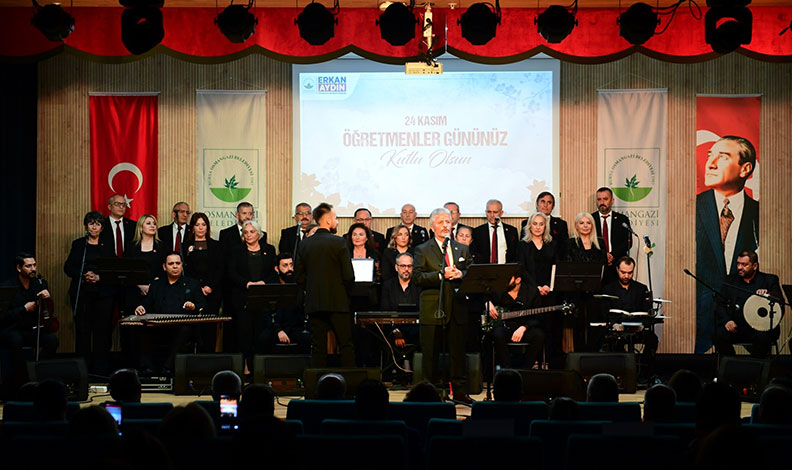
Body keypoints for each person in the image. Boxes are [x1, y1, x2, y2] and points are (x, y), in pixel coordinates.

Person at [696, 136, 759, 353]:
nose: (710, 164)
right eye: (710, 156)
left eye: (722, 157)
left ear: (745, 169)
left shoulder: (759, 213)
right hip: (701, 312)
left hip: (740, 312)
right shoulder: (692, 207)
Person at [413, 207, 472, 403]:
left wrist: (461, 274)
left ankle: (460, 393)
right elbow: (417, 277)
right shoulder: (422, 249)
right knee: (430, 354)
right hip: (433, 309)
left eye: (448, 221)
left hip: (457, 308)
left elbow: (471, 272)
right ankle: (429, 394)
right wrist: (441, 275)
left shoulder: (461, 248)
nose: (445, 225)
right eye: (441, 222)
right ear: (432, 227)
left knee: (458, 353)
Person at [295, 202, 355, 367]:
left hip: (314, 302)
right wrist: (344, 293)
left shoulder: (305, 244)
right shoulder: (339, 242)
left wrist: (312, 289)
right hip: (338, 303)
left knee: (318, 347)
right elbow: (349, 275)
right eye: (335, 218)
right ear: (328, 220)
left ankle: (317, 381)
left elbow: (299, 276)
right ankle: (349, 381)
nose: (337, 221)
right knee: (345, 344)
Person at [134, 252, 207, 373]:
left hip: (181, 326)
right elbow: (147, 302)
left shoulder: (192, 284)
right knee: (142, 329)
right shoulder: (156, 285)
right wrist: (141, 307)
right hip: (159, 326)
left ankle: (168, 368)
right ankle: (148, 369)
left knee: (185, 330)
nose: (175, 266)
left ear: (182, 265)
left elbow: (203, 305)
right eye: (171, 263)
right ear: (164, 267)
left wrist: (193, 306)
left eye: (178, 263)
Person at [64, 211, 115, 375]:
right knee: (83, 331)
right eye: (91, 223)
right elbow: (68, 268)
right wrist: (83, 275)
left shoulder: (107, 245)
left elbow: (113, 269)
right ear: (86, 226)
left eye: (98, 224)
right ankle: (83, 370)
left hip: (103, 293)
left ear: (102, 228)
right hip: (83, 293)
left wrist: (99, 277)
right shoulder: (79, 244)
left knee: (102, 332)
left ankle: (101, 370)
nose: (94, 227)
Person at [1, 253, 59, 397]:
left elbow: (47, 311)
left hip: (33, 328)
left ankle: (35, 371)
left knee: (52, 340)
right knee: (16, 340)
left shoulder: (39, 283)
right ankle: (19, 381)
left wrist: (48, 299)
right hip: (14, 328)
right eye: (28, 266)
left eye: (34, 265)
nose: (33, 269)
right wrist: (24, 309)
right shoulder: (8, 286)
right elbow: (4, 316)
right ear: (19, 268)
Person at [227, 220, 278, 373]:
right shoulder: (236, 250)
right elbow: (231, 273)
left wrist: (264, 282)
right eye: (245, 232)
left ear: (259, 234)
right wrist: (247, 283)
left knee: (260, 334)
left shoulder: (269, 249)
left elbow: (273, 272)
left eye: (252, 232)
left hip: (262, 299)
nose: (248, 235)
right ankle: (245, 367)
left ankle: (260, 369)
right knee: (244, 335)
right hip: (243, 298)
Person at [713, 250, 782, 358]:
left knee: (763, 338)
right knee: (718, 335)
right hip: (737, 327)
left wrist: (768, 294)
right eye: (738, 264)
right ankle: (732, 363)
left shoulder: (769, 280)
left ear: (755, 266)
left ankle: (755, 365)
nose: (739, 267)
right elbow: (720, 303)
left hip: (760, 329)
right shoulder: (730, 280)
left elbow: (780, 302)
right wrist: (727, 321)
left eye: (744, 264)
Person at [599, 257, 658, 378]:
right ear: (617, 269)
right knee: (612, 341)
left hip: (636, 328)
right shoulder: (609, 289)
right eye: (623, 272)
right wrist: (614, 324)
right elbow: (604, 312)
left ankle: (643, 373)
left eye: (630, 273)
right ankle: (622, 374)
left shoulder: (641, 289)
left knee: (652, 339)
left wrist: (642, 325)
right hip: (617, 329)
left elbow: (647, 311)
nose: (626, 276)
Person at [518, 212, 563, 367]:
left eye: (541, 224)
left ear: (545, 227)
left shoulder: (552, 244)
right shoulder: (523, 245)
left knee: (549, 327)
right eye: (535, 224)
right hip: (530, 293)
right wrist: (536, 287)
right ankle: (534, 361)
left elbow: (556, 267)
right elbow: (522, 269)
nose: (538, 227)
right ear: (530, 226)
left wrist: (548, 286)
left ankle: (547, 361)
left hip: (549, 291)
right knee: (534, 327)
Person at [566, 212, 607, 352]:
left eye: (588, 223)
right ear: (576, 226)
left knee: (594, 324)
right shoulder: (570, 243)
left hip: (595, 290)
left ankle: (593, 355)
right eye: (582, 223)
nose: (585, 226)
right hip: (576, 291)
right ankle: (579, 356)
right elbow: (569, 266)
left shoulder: (600, 242)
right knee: (578, 325)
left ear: (592, 225)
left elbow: (604, 266)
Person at [182, 212, 224, 351]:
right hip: (192, 292)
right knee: (192, 329)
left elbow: (220, 269)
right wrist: (197, 288)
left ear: (207, 227)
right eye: (197, 225)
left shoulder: (216, 245)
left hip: (212, 292)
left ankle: (209, 357)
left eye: (203, 225)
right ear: (192, 227)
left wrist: (210, 286)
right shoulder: (185, 245)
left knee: (209, 328)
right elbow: (185, 270)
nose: (200, 228)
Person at [488, 274, 546, 370]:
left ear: (518, 280)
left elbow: (538, 317)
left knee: (539, 335)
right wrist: (487, 303)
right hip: (506, 328)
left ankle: (525, 370)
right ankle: (508, 370)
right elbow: (483, 296)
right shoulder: (499, 290)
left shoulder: (531, 292)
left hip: (525, 328)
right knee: (497, 334)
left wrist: (524, 327)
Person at [257, 252, 311, 354]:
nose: (289, 269)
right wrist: (278, 330)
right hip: (275, 327)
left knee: (307, 338)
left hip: (295, 327)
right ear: (277, 269)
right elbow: (266, 314)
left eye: (291, 265)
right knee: (264, 338)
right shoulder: (271, 287)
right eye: (285, 266)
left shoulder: (299, 286)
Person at [379, 252, 420, 349]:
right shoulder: (388, 286)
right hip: (393, 328)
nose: (406, 269)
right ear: (396, 267)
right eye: (403, 266)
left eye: (409, 266)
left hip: (416, 330)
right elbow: (385, 311)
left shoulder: (419, 285)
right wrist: (396, 331)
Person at [125, 214, 164, 314]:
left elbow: (165, 268)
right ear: (140, 227)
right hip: (134, 291)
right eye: (148, 223)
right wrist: (140, 285)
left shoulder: (162, 246)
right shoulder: (131, 246)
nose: (152, 226)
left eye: (154, 224)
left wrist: (154, 284)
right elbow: (126, 268)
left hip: (156, 290)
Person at [592, 187, 633, 282]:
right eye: (599, 199)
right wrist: (603, 256)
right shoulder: (590, 219)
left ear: (612, 201)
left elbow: (628, 242)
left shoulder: (622, 219)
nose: (602, 202)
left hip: (617, 264)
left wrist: (612, 255)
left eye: (605, 199)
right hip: (597, 264)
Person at [521, 191, 569, 259]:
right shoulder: (526, 223)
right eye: (543, 202)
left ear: (553, 207)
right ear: (537, 204)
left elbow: (564, 248)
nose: (545, 205)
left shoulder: (561, 224)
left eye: (549, 202)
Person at [471, 199, 519, 264]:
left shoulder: (512, 231)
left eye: (495, 212)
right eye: (489, 212)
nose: (492, 215)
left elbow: (516, 254)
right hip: (485, 268)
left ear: (501, 213)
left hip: (506, 268)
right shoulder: (478, 231)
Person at [100, 193, 136, 258]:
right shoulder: (101, 225)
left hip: (129, 263)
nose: (121, 207)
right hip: (106, 262)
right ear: (109, 207)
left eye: (124, 204)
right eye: (117, 204)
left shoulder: (133, 225)